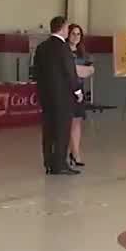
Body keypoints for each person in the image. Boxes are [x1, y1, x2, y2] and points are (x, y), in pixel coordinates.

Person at [34, 16, 82, 176]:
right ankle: (59, 164)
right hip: (62, 97)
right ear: (62, 28)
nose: (68, 31)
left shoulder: (41, 47)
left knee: (48, 130)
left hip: (46, 96)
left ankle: (48, 162)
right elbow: (70, 71)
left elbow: (36, 72)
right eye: (67, 28)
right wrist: (77, 91)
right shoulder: (63, 48)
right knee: (62, 130)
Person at [67, 24, 95, 169]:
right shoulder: (64, 51)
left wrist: (77, 70)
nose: (76, 37)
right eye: (73, 33)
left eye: (78, 34)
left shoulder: (82, 53)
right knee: (67, 122)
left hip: (79, 90)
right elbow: (67, 71)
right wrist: (78, 70)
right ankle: (68, 153)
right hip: (66, 90)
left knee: (77, 122)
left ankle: (75, 153)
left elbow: (90, 70)